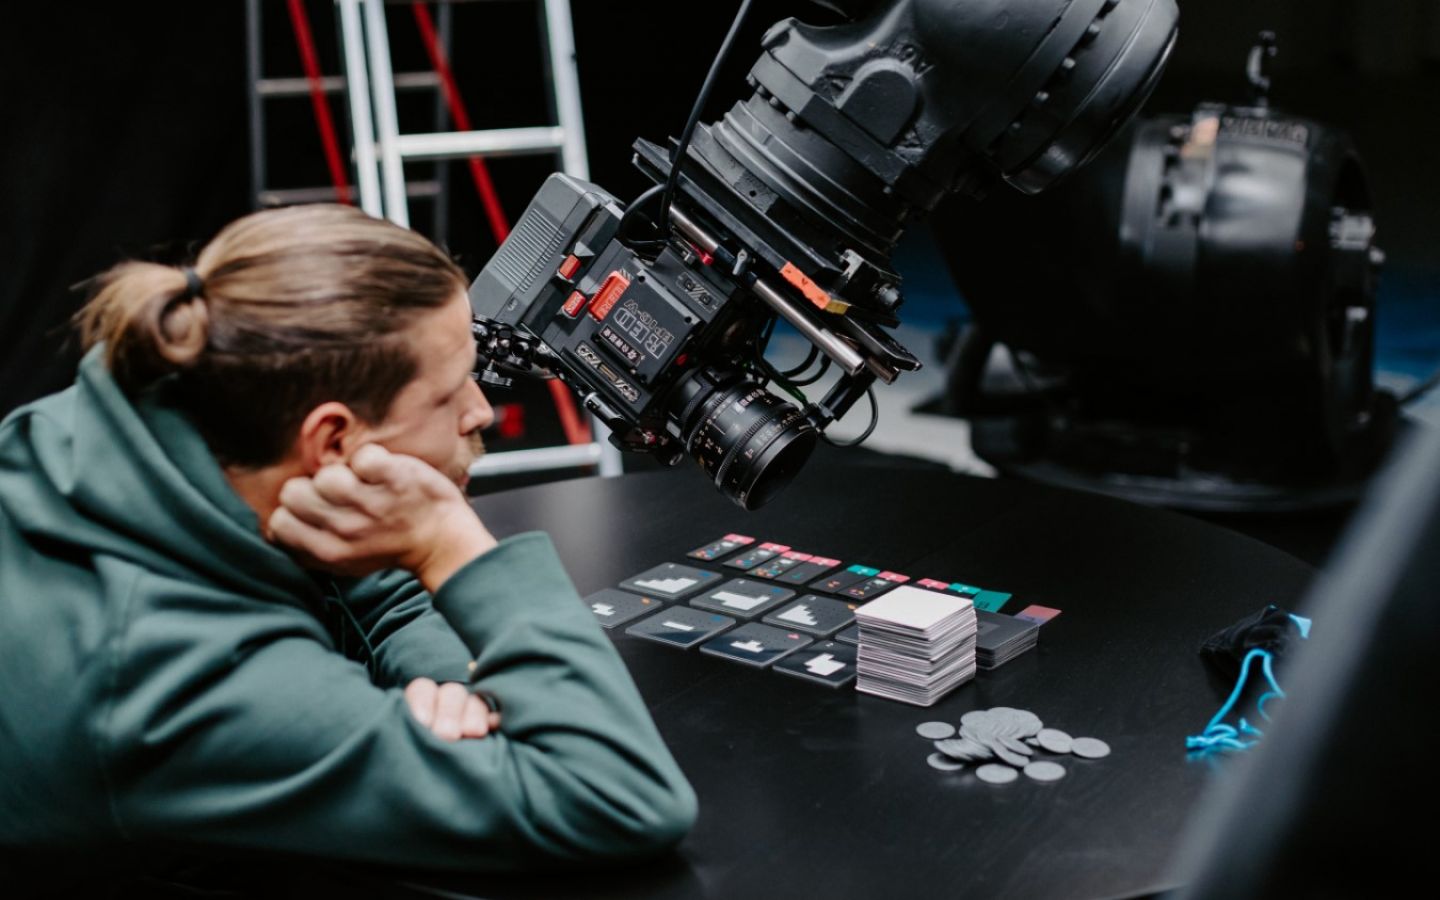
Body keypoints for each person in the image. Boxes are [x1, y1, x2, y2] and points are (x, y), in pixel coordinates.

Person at [0, 204, 696, 874]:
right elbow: (617, 796)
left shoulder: (149, 410)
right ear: (332, 440)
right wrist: (448, 544)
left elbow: (366, 575)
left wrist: (456, 683)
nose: (480, 410)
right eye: (449, 391)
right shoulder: (174, 685)